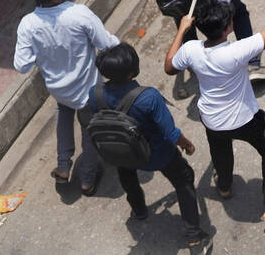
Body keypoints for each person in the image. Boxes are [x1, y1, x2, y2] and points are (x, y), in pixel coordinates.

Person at [164, 0, 265, 223]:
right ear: (228, 28)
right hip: (245, 118)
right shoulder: (237, 51)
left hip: (212, 119)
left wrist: (182, 31)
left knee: (220, 151)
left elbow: (169, 67)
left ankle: (224, 186)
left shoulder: (191, 49)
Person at [89, 44, 212, 249]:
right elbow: (170, 133)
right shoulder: (148, 97)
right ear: (132, 71)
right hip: (158, 155)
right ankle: (193, 233)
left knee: (127, 176)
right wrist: (187, 145)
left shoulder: (96, 94)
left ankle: (138, 210)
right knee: (184, 180)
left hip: (122, 153)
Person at [13, 0, 119, 196]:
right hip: (88, 92)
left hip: (58, 90)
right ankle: (87, 181)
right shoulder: (78, 14)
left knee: (64, 113)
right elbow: (107, 44)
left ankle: (63, 166)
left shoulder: (27, 25)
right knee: (90, 133)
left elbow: (21, 65)